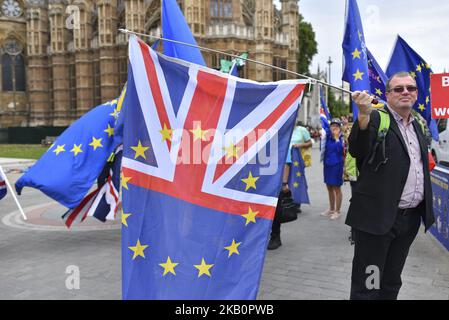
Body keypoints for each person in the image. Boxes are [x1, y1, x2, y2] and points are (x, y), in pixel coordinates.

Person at [347, 71, 435, 300]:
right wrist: (364, 116)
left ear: (416, 93)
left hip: (409, 221)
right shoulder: (377, 118)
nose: (405, 92)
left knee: (391, 282)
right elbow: (358, 148)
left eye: (411, 88)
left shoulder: (419, 125)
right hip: (377, 221)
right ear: (387, 94)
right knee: (369, 284)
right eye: (398, 89)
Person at [267, 121, 312, 250]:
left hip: (276, 182)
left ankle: (275, 236)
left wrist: (284, 184)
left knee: (276, 210)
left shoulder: (281, 140)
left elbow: (286, 162)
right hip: (261, 181)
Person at [321, 118, 345, 220]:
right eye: (332, 125)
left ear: (340, 128)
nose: (334, 127)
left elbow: (341, 150)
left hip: (337, 165)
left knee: (336, 188)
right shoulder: (327, 136)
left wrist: (336, 138)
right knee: (329, 187)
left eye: (336, 126)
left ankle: (337, 211)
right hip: (327, 165)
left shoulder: (341, 138)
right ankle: (331, 209)